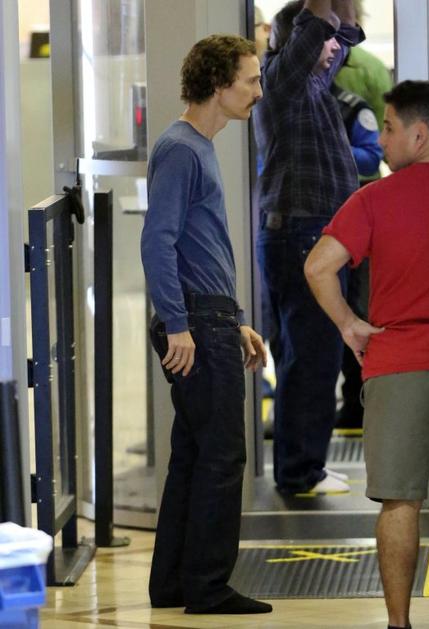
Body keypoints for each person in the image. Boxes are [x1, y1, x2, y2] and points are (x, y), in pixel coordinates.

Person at [304, 79, 429, 629]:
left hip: (398, 363)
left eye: (388, 129)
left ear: (419, 134)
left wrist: (349, 325)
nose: (381, 140)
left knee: (399, 503)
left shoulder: (373, 199)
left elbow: (318, 266)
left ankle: (398, 624)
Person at [140, 35, 272, 615]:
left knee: (194, 456)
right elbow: (158, 241)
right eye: (251, 80)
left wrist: (234, 320)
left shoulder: (195, 147)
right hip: (195, 320)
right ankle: (208, 587)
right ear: (219, 85)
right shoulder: (181, 149)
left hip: (208, 317)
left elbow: (202, 247)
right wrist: (180, 324)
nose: (259, 91)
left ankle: (174, 583)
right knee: (221, 458)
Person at [253, 0, 364, 495]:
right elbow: (316, 23)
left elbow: (345, 29)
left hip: (307, 234)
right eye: (324, 38)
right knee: (312, 358)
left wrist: (337, 20)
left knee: (307, 356)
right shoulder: (283, 80)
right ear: (297, 41)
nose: (335, 47)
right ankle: (300, 471)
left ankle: (304, 464)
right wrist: (317, 18)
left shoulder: (313, 81)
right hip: (302, 236)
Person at [334, 0, 392, 428]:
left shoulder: (367, 71)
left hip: (359, 202)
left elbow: (381, 144)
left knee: (358, 305)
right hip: (338, 206)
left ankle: (356, 401)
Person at [331, 80, 383, 428]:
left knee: (358, 310)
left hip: (355, 227)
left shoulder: (350, 107)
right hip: (319, 226)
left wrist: (332, 151)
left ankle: (355, 403)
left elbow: (371, 157)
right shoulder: (288, 104)